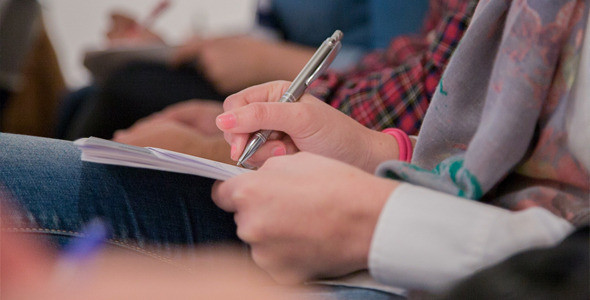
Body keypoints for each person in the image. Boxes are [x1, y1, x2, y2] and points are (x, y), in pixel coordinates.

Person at [1, 0, 588, 299]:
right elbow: (475, 126)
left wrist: (382, 220)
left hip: (482, 269)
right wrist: (375, 151)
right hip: (430, 212)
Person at [110, 0, 477, 165]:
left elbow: (425, 83)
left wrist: (210, 150)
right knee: (103, 92)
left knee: (127, 90)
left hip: (337, 116)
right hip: (318, 99)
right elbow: (408, 58)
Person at [58, 0, 429, 140]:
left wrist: (264, 59)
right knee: (82, 97)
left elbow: (410, 68)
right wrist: (166, 47)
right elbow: (271, 31)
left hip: (329, 96)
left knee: (128, 87)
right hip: (283, 82)